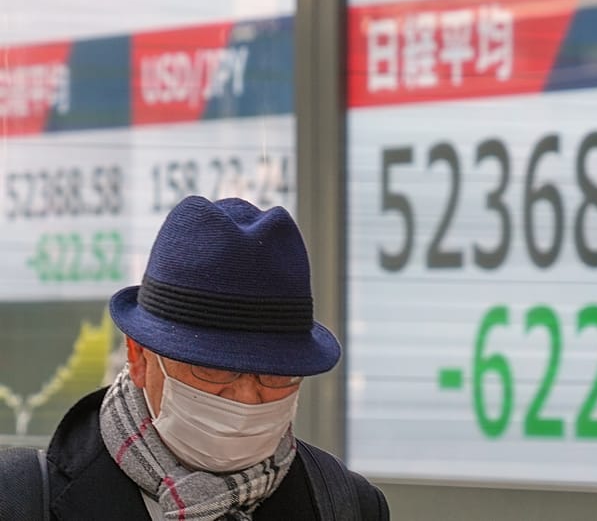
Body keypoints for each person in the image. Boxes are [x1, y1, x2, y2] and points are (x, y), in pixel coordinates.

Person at [41, 195, 389, 520]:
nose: (246, 400)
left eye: (276, 374)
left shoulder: (348, 505)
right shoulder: (19, 500)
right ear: (139, 358)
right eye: (212, 369)